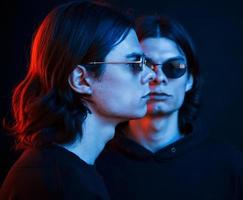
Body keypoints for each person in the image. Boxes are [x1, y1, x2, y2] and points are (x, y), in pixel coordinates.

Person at [0, 1, 155, 199]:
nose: (151, 74)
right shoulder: (54, 183)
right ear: (81, 80)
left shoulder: (68, 172)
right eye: (134, 63)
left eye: (144, 62)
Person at [96, 15, 243, 200]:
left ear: (190, 79)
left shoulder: (228, 165)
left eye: (174, 66)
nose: (157, 77)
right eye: (143, 65)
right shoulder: (93, 162)